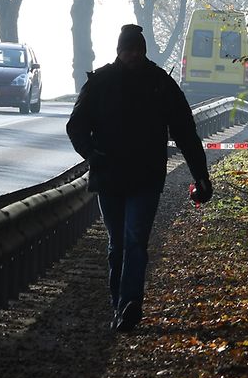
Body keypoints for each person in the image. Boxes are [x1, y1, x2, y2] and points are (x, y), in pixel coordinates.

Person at [67, 24, 213, 332]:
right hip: (110, 177)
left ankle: (129, 304)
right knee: (118, 244)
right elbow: (76, 125)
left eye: (137, 49)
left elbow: (186, 132)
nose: (133, 55)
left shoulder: (160, 84)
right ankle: (120, 304)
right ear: (119, 50)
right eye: (128, 49)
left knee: (134, 241)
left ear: (143, 51)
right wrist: (91, 154)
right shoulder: (101, 82)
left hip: (145, 179)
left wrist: (201, 175)